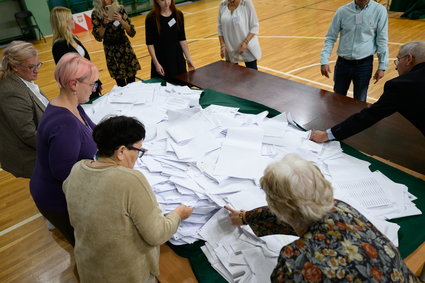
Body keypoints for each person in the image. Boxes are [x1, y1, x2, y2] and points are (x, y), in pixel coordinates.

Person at [225, 154, 419, 282]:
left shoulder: (296, 261)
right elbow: (299, 211)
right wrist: (246, 217)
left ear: (279, 209)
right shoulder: (342, 209)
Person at [63, 116, 192, 283]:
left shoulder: (77, 168)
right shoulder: (131, 180)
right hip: (126, 275)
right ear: (121, 151)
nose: (138, 156)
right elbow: (157, 235)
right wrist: (178, 214)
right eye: (138, 150)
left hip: (89, 268)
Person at [30, 53, 99, 246]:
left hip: (59, 193)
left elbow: (94, 130)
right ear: (74, 84)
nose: (95, 89)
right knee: (84, 246)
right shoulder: (64, 123)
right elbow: (65, 173)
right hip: (58, 200)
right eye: (92, 84)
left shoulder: (72, 105)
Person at [311, 41, 425, 143]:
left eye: (398, 60)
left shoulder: (403, 85)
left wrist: (328, 135)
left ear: (409, 59)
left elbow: (371, 115)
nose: (396, 67)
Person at [320, 0, 388, 102]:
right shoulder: (342, 11)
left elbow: (382, 39)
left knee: (359, 102)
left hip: (364, 65)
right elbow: (330, 37)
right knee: (337, 99)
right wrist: (324, 60)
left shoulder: (379, 11)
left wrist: (382, 66)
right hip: (342, 64)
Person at [0, 41, 49, 178]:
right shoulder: (12, 92)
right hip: (31, 157)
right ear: (15, 67)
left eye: (38, 64)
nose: (37, 70)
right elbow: (28, 134)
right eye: (32, 67)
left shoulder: (22, 78)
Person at [51, 6, 102, 100]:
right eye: (71, 18)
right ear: (64, 22)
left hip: (89, 84)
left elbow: (87, 62)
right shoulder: (59, 46)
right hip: (80, 90)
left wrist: (96, 81)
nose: (73, 20)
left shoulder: (73, 38)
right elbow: (69, 74)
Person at [91, 0, 140, 87]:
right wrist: (104, 25)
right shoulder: (96, 14)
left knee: (132, 81)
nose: (106, 1)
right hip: (111, 51)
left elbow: (132, 32)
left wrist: (121, 20)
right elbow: (98, 37)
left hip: (125, 48)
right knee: (120, 82)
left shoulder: (120, 9)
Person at [145, 0, 195, 79]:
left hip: (177, 60)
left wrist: (188, 58)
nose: (166, 2)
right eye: (162, 0)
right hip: (161, 61)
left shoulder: (178, 14)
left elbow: (182, 39)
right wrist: (156, 63)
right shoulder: (151, 18)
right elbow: (150, 44)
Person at [218, 0, 261, 70]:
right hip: (229, 49)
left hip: (247, 47)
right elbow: (219, 27)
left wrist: (245, 42)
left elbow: (255, 26)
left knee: (252, 76)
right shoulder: (222, 4)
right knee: (232, 77)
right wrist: (222, 45)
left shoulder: (246, 3)